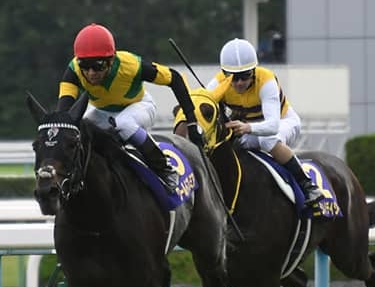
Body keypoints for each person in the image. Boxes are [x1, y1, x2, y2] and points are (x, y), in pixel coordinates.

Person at [176, 38, 324, 208]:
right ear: (224, 74)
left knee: (267, 140)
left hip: (283, 123)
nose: (239, 83)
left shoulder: (266, 81)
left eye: (245, 76)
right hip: (246, 127)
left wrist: (247, 127)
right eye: (233, 77)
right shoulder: (217, 83)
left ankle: (308, 185)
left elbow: (273, 126)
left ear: (253, 71)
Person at [56, 23, 200, 193]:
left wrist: (192, 122)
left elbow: (174, 78)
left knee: (123, 123)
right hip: (103, 112)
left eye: (98, 65)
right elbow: (63, 114)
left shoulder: (131, 65)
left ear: (111, 61)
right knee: (80, 129)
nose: (91, 73)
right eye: (85, 66)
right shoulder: (73, 71)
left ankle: (165, 168)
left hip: (140, 106)